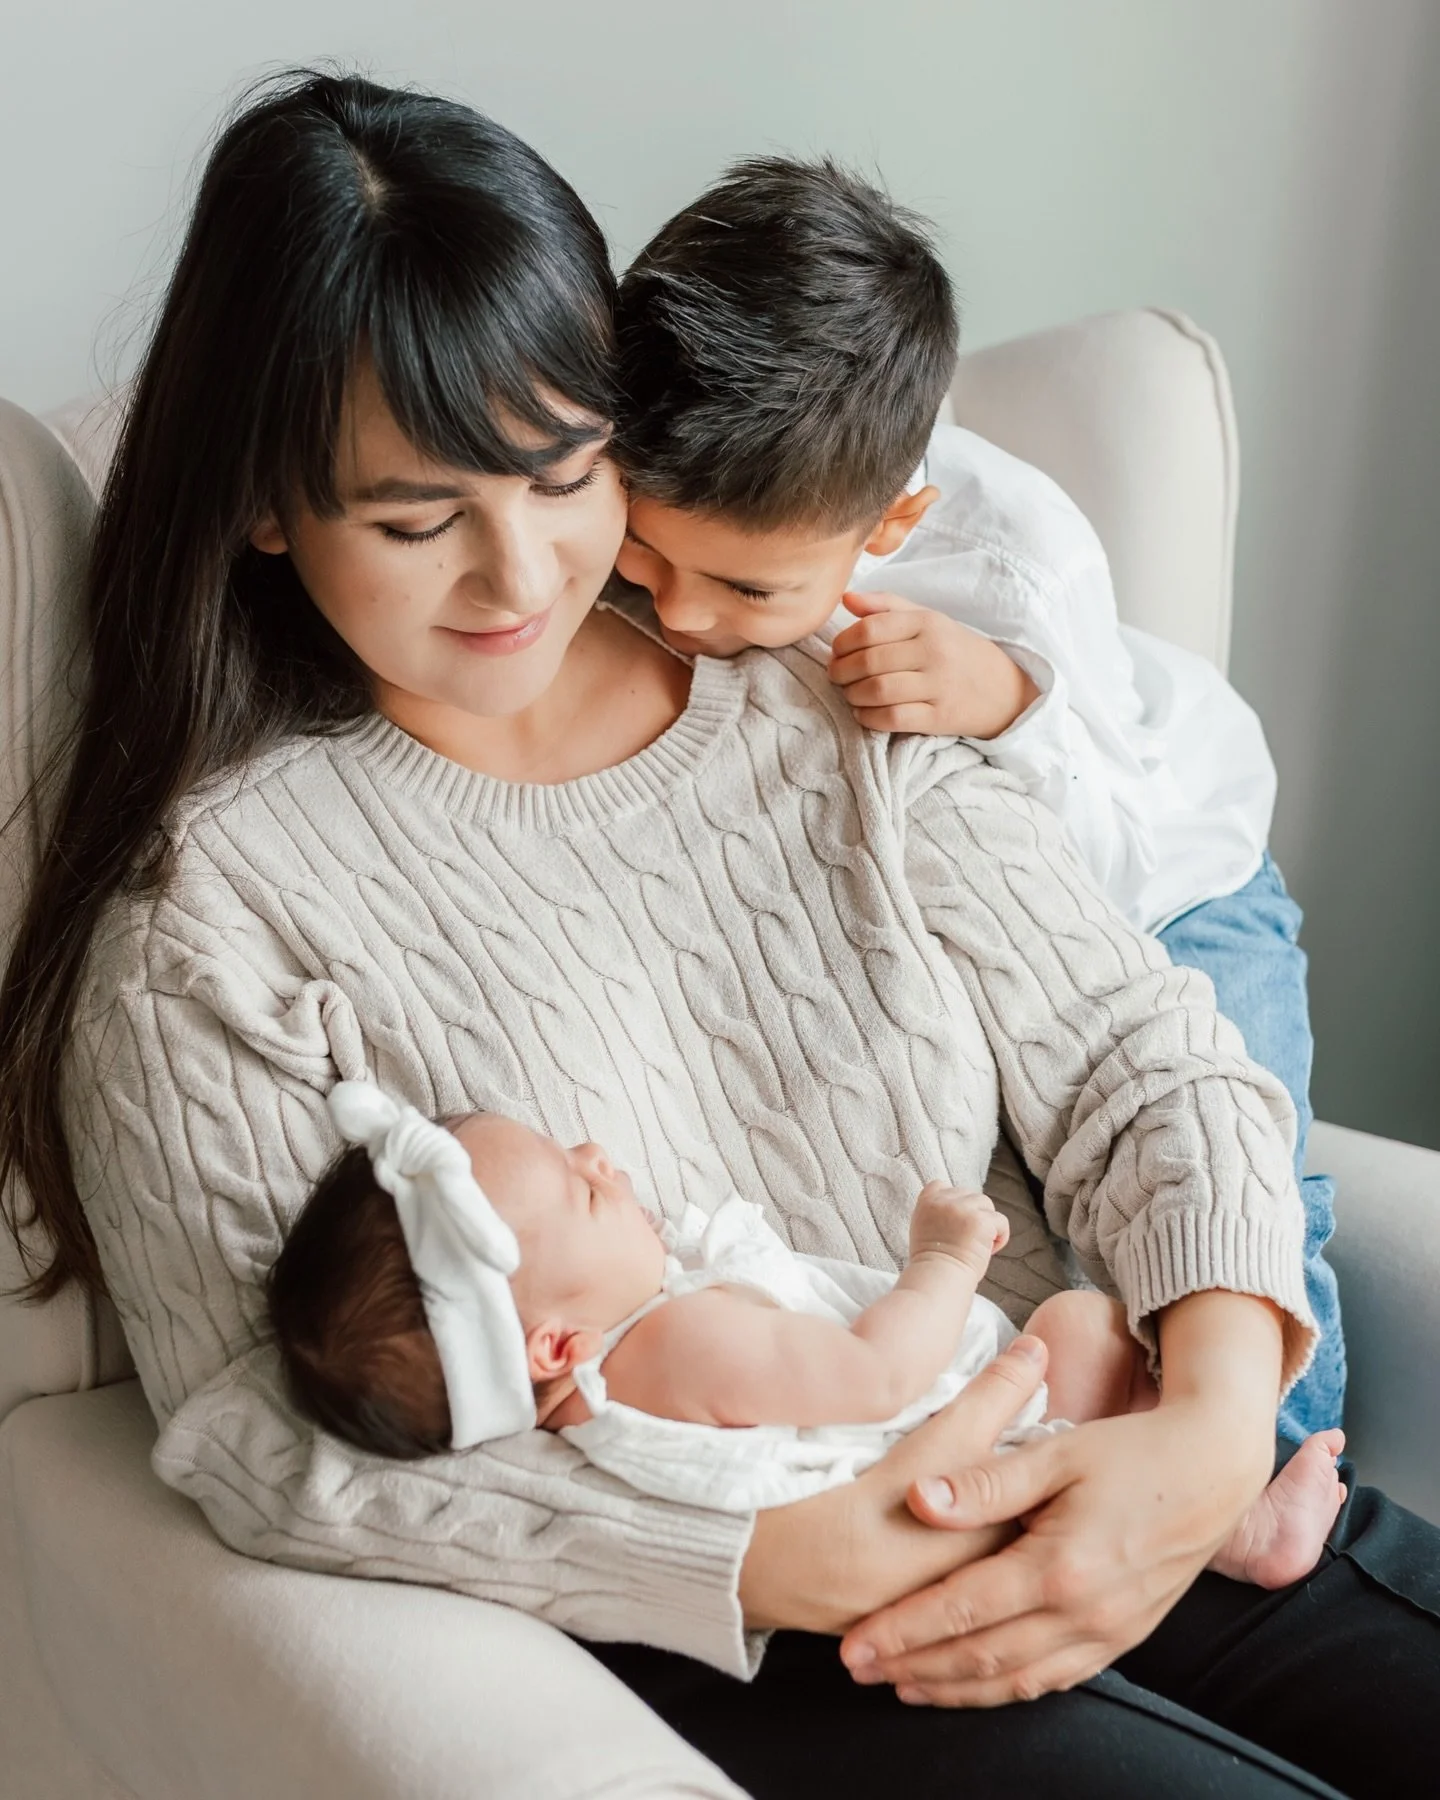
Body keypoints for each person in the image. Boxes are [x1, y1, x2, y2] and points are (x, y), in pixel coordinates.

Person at [0, 68, 1434, 1800]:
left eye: (563, 472)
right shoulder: (206, 913)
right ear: (264, 503)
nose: (522, 574)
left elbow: (1141, 1055)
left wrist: (1209, 1425)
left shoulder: (830, 684)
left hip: (1113, 1443)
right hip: (788, 1636)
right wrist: (760, 1560)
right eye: (417, 518)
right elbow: (257, 1426)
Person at [612, 156, 1341, 1444]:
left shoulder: (1017, 562)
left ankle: (1289, 1463)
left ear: (894, 524)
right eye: (645, 551)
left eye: (747, 590)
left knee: (1245, 1171)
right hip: (1018, 915)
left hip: (1174, 866)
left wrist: (1009, 701)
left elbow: (1111, 840)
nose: (680, 612)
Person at [267, 1081, 1346, 1588]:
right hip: (971, 1468)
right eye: (581, 1189)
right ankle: (1238, 1530)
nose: (597, 1153)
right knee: (1079, 1329)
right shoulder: (674, 1344)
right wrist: (942, 1261)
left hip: (939, 1506)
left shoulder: (606, 1396)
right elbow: (873, 1377)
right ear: (555, 1348)